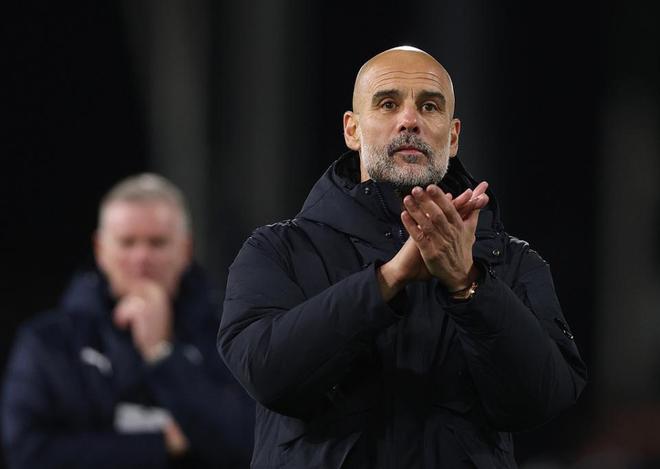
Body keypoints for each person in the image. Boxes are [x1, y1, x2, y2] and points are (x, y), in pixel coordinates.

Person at [217, 46, 587, 468]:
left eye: (429, 106)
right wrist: (387, 280)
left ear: (452, 136)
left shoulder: (512, 262)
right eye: (388, 104)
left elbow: (544, 399)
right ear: (352, 130)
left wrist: (469, 285)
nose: (409, 120)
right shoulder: (276, 251)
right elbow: (266, 374)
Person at [2, 174, 254, 469]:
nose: (141, 257)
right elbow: (28, 454)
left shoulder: (232, 332)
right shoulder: (49, 341)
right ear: (100, 249)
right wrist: (163, 443)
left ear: (186, 249)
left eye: (157, 243)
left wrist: (161, 354)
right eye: (127, 242)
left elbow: (252, 443)